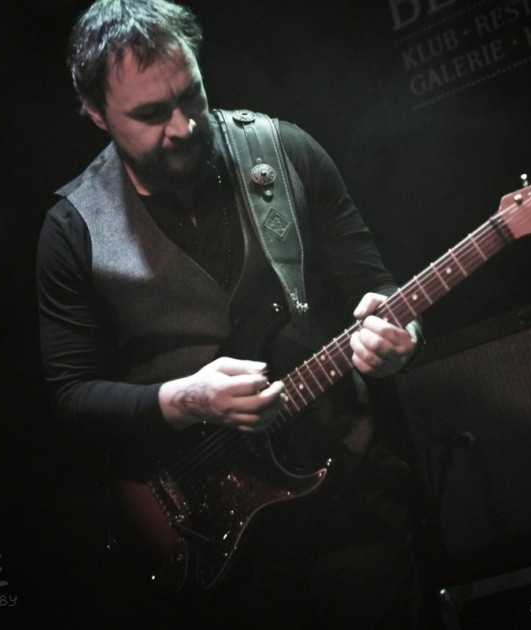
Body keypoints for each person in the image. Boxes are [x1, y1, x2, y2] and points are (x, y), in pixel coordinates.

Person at [37, 1, 427, 627]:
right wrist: (187, 399)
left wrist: (401, 336)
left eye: (191, 95)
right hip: (209, 529)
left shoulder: (286, 151)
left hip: (348, 494)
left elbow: (380, 291)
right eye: (150, 114)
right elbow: (72, 397)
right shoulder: (73, 228)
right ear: (96, 113)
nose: (184, 126)